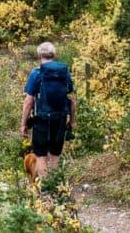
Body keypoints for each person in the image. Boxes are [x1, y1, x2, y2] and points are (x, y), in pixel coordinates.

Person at [20, 42, 77, 181]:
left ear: (39, 55)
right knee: (55, 154)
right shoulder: (65, 73)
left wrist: (23, 124)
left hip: (42, 119)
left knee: (40, 156)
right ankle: (55, 187)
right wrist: (72, 121)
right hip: (60, 118)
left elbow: (28, 102)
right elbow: (72, 100)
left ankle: (46, 192)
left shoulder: (36, 73)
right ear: (54, 54)